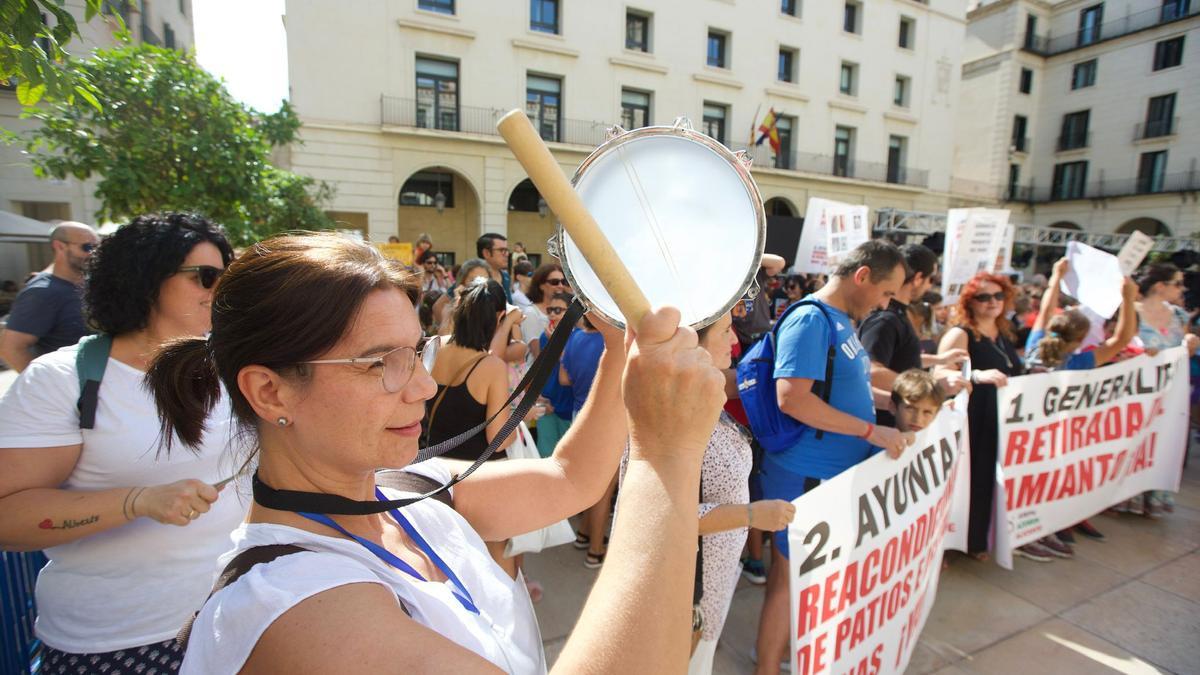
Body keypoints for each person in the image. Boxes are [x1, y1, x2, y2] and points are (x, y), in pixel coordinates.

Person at [147, 232, 725, 674]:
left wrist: (621, 342)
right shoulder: (292, 607)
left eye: (415, 351)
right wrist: (666, 453)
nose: (422, 387)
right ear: (270, 390)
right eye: (379, 363)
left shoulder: (406, 490)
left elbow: (571, 478)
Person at [0, 213, 244, 673]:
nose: (219, 290)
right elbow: (6, 516)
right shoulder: (61, 379)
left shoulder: (232, 366)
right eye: (206, 276)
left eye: (225, 277)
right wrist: (137, 502)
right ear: (147, 278)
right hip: (117, 640)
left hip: (232, 619)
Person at [754, 241, 912, 675]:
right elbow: (793, 399)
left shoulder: (840, 320)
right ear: (862, 277)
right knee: (788, 579)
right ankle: (766, 667)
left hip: (828, 475)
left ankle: (787, 654)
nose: (886, 304)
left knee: (808, 579)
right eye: (886, 293)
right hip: (805, 476)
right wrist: (869, 429)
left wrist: (903, 402)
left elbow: (850, 389)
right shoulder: (810, 319)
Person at [625, 310, 796, 675]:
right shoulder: (670, 415)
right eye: (725, 331)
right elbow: (660, 517)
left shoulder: (703, 394)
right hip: (685, 588)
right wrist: (752, 515)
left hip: (711, 578)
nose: (735, 340)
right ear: (692, 343)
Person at [1025, 258, 1140, 545]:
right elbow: (1123, 337)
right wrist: (1128, 298)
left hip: (1028, 432)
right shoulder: (1081, 361)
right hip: (1059, 434)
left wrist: (1055, 278)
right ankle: (1055, 525)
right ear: (1080, 339)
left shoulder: (1034, 344)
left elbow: (1044, 310)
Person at [934, 272, 1030, 561]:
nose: (992, 302)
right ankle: (951, 544)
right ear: (970, 301)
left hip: (1000, 420)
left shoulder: (1004, 333)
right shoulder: (961, 333)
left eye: (999, 296)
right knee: (968, 479)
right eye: (984, 297)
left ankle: (977, 540)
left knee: (988, 478)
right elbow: (939, 373)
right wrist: (976, 374)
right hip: (971, 420)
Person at [859, 244, 966, 425]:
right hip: (883, 429)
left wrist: (938, 360)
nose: (930, 286)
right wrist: (931, 390)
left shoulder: (897, 315)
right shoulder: (886, 318)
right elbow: (873, 371)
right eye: (930, 279)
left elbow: (900, 359)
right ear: (917, 278)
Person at [1128, 262, 1196, 517]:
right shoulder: (1132, 311)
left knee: (1161, 444)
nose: (1183, 288)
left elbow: (1183, 350)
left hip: (1169, 394)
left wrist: (1189, 344)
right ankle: (1126, 496)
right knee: (1135, 443)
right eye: (1177, 283)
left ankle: (1153, 497)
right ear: (1159, 286)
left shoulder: (1179, 316)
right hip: (1138, 391)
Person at [0, 222, 98, 372]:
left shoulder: (88, 284)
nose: (94, 253)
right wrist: (45, 387)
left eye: (97, 247)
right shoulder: (42, 292)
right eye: (87, 247)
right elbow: (10, 348)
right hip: (70, 390)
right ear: (60, 246)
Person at [560, 314, 613, 569]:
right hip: (605, 420)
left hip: (578, 416)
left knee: (591, 481)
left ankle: (584, 534)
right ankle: (595, 549)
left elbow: (564, 379)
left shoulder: (575, 338)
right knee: (602, 488)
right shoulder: (611, 342)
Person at [534, 292, 574, 459]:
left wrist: (555, 342)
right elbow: (541, 368)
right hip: (547, 401)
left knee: (567, 457)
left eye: (558, 310)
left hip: (569, 402)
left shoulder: (577, 335)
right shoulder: (545, 336)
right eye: (550, 309)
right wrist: (539, 396)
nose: (552, 314)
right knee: (545, 454)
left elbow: (569, 369)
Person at [523, 264, 569, 358]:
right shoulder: (531, 313)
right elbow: (537, 354)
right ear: (541, 286)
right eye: (554, 282)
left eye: (563, 282)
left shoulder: (568, 308)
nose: (560, 286)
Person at [891, 369, 946, 434]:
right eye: (911, 409)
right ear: (893, 407)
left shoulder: (938, 439)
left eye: (927, 412)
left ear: (936, 415)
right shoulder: (879, 442)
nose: (917, 419)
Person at [477, 232, 512, 303]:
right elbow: (448, 302)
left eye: (507, 250)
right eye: (502, 250)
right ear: (486, 253)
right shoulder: (471, 277)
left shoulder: (506, 277)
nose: (507, 254)